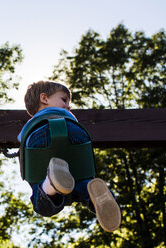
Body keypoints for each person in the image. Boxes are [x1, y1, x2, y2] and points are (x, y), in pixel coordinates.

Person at [18, 80, 121, 232]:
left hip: (38, 138)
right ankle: (95, 196)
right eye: (64, 100)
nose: (68, 106)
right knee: (83, 182)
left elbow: (22, 141)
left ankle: (50, 184)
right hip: (73, 132)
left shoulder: (32, 122)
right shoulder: (67, 115)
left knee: (41, 204)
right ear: (44, 98)